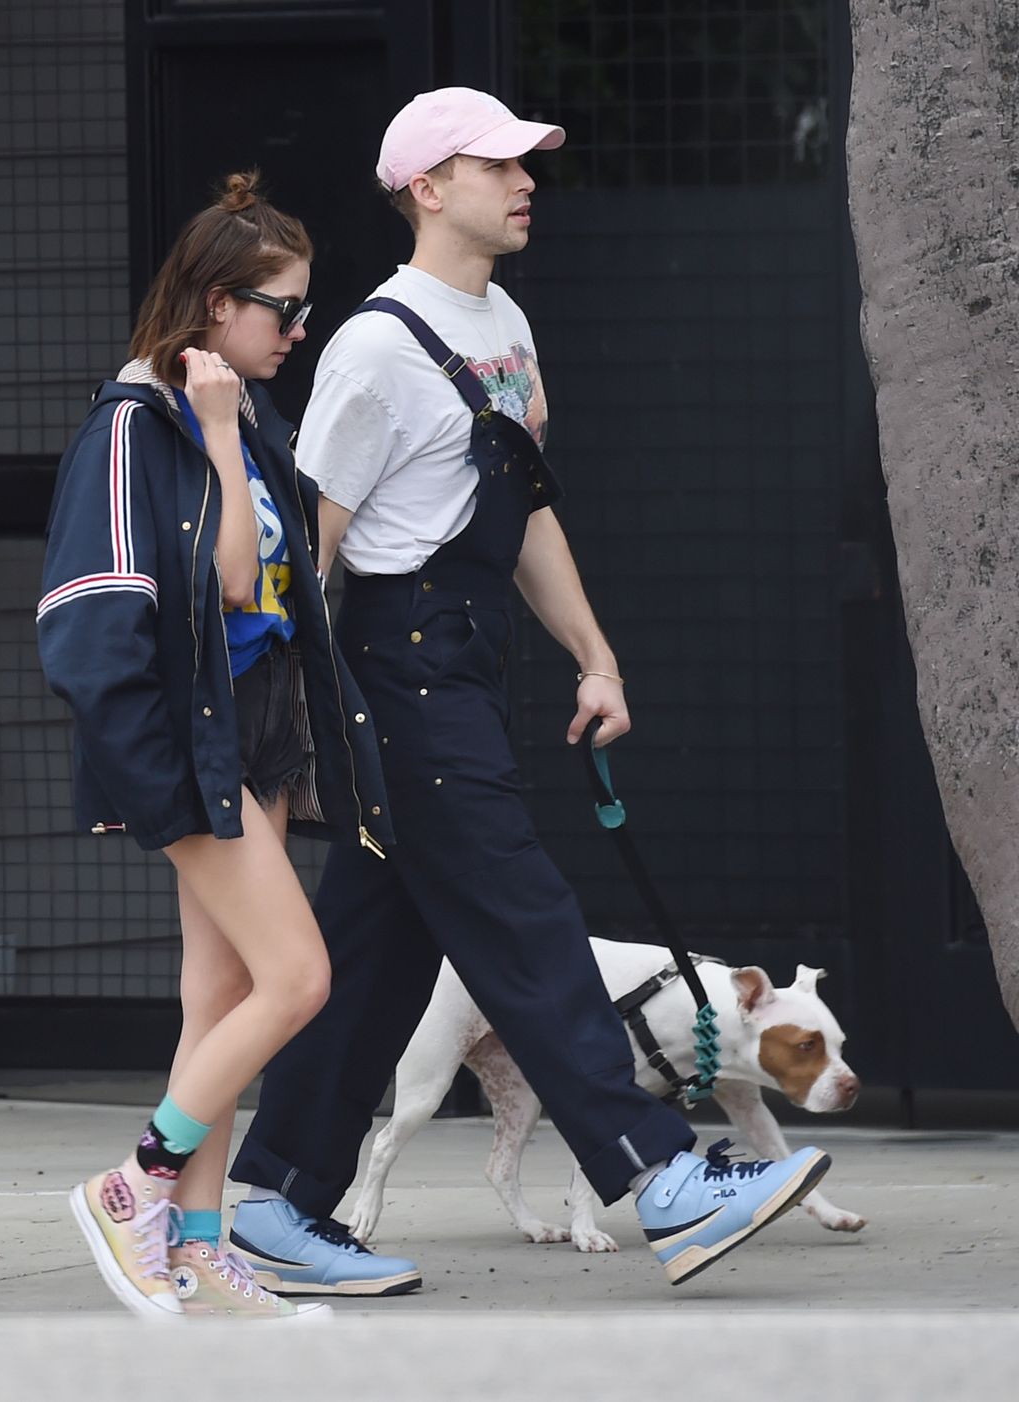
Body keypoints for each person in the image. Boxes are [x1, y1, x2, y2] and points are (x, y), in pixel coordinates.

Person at [226, 88, 831, 1292]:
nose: (526, 181)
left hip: (465, 658)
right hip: (398, 670)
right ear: (426, 187)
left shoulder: (502, 321)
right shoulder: (374, 350)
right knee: (526, 919)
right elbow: (313, 544)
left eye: (526, 163)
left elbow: (527, 511)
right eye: (497, 163)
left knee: (375, 955)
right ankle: (664, 1179)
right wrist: (295, 725)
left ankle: (277, 1201)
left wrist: (595, 657)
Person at [38, 172, 394, 1321]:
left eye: (304, 309)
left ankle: (198, 1243)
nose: (298, 332)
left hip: (259, 734)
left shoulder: (241, 417)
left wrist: (236, 432)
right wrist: (226, 434)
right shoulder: (131, 428)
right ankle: (131, 1185)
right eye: (281, 310)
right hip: (194, 747)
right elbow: (178, 599)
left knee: (223, 994)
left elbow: (273, 584)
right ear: (213, 304)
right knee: (300, 977)